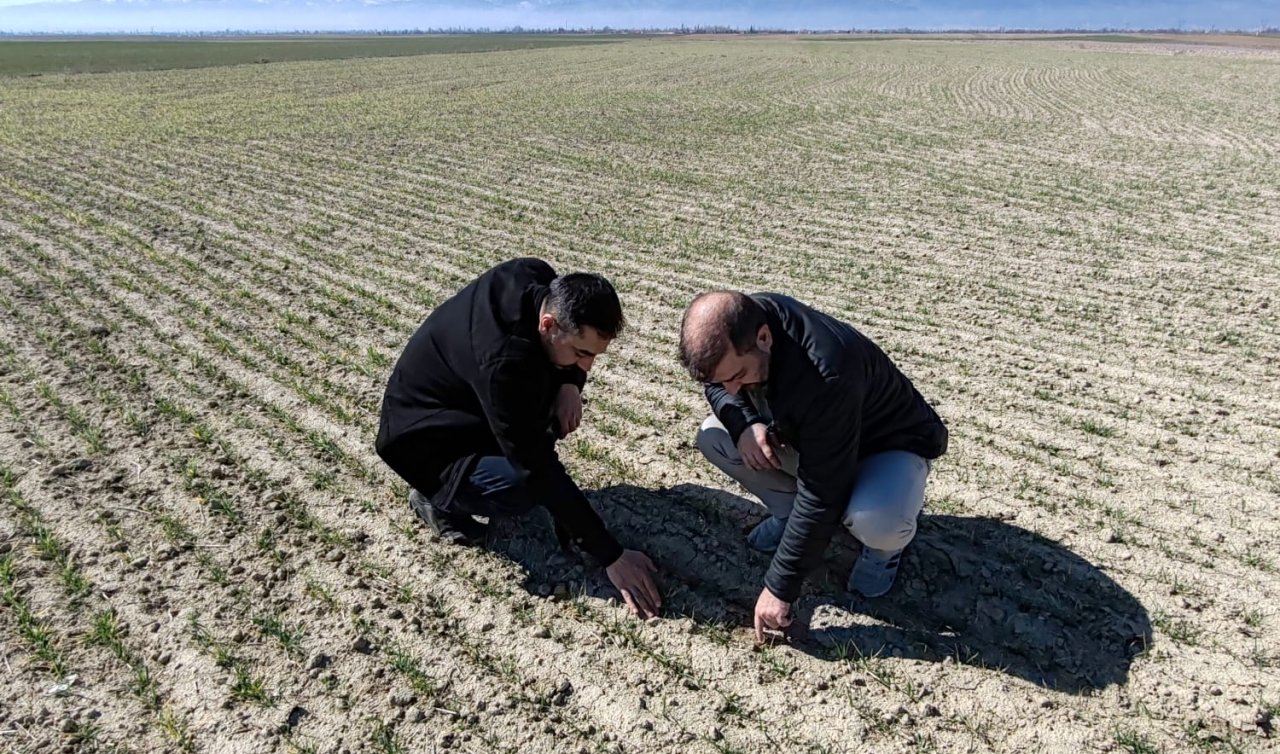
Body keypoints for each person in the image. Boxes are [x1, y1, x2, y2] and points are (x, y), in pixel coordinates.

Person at [376, 258, 661, 618]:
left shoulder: (535, 276)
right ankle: (438, 500)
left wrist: (570, 383)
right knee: (523, 486)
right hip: (426, 442)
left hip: (467, 403)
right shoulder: (504, 366)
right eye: (581, 353)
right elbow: (537, 467)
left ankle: (535, 493)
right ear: (548, 324)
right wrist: (611, 555)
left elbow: (550, 384)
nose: (587, 365)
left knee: (545, 411)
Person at [678, 291, 947, 641]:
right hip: (818, 437)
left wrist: (779, 588)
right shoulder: (741, 323)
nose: (730, 388)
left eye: (738, 375)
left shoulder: (826, 373)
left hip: (887, 446)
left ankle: (885, 550)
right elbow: (717, 385)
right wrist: (744, 423)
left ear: (764, 338)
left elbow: (822, 490)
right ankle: (788, 514)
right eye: (721, 380)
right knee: (716, 436)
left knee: (877, 519)